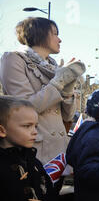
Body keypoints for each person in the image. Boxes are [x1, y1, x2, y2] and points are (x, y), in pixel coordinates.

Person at [0, 17, 86, 165]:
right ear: (40, 34)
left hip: (59, 152)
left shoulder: (54, 66)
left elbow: (68, 116)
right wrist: (59, 82)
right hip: (34, 150)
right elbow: (24, 108)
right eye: (55, 33)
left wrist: (68, 88)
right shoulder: (13, 59)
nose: (60, 40)